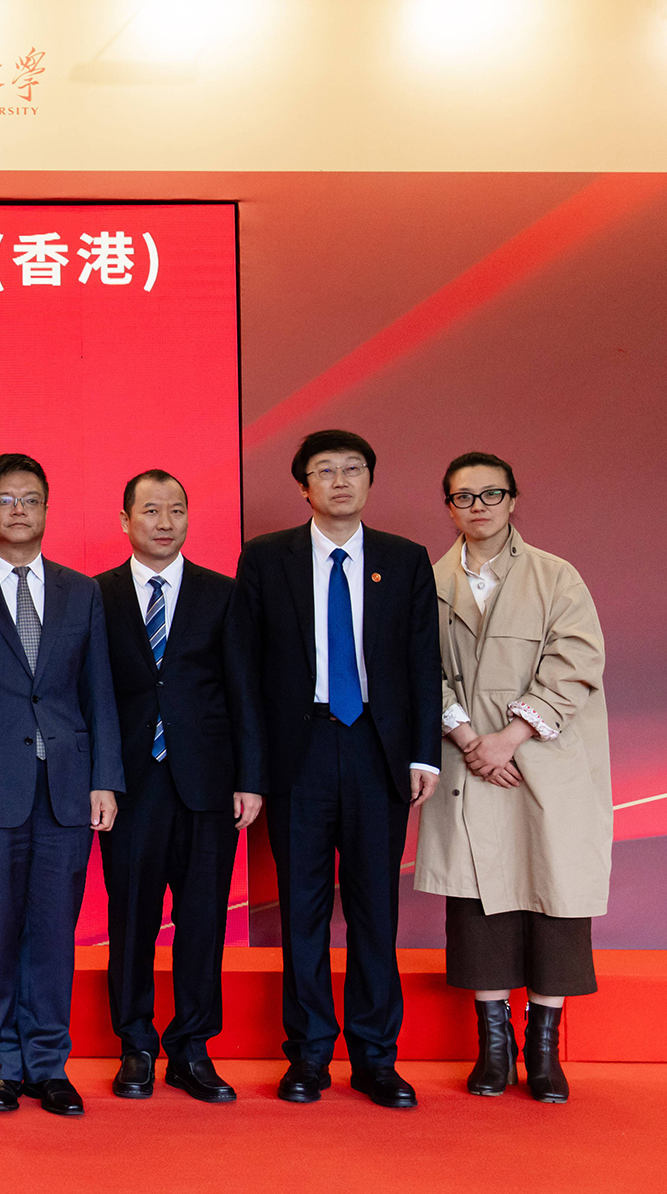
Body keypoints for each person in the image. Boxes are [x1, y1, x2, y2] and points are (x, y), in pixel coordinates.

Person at [229, 429, 440, 1109]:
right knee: (304, 911)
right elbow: (245, 670)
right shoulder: (267, 559)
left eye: (354, 470)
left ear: (370, 481)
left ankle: (378, 1057)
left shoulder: (405, 560)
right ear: (304, 486)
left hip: (379, 752)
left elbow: (421, 663)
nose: (341, 481)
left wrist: (421, 753)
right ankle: (310, 1056)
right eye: (325, 471)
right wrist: (252, 770)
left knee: (376, 911)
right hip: (302, 752)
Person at [0, 453, 122, 1117]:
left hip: (67, 787)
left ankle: (48, 1062)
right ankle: (0, 1064)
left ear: (47, 507)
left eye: (30, 498)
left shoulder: (81, 591)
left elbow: (99, 691)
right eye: (5, 499)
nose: (19, 509)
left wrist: (106, 779)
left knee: (53, 931)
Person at [415, 452, 610, 1104]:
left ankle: (544, 1051)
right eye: (464, 496)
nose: (478, 506)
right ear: (448, 506)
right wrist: (470, 739)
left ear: (512, 500)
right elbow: (414, 668)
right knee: (478, 902)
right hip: (470, 767)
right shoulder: (429, 582)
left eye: (490, 494)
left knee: (553, 897)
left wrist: (510, 736)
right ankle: (493, 1049)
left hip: (543, 765)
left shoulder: (557, 577)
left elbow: (577, 658)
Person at [93, 470, 259, 1104]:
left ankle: (192, 1048)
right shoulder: (95, 595)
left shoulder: (223, 593)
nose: (165, 521)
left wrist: (250, 778)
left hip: (209, 786)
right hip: (129, 786)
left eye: (177, 510)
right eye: (151, 510)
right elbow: (92, 696)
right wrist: (98, 779)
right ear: (125, 520)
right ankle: (135, 1044)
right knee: (130, 919)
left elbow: (244, 690)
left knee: (202, 921)